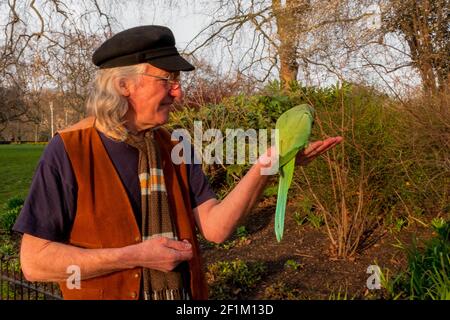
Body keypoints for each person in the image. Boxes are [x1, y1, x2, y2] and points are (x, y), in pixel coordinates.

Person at [13, 25, 343, 300]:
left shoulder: (175, 146)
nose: (178, 93)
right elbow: (35, 262)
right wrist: (135, 256)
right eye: (166, 80)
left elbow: (215, 228)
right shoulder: (69, 150)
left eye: (178, 82)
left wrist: (268, 164)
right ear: (124, 84)